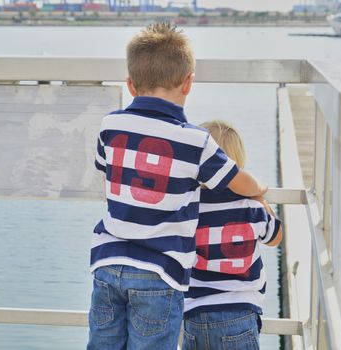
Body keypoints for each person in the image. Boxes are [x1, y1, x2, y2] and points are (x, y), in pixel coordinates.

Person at [88, 23, 267, 350]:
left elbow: (104, 167)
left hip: (107, 262)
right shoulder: (195, 141)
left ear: (130, 84)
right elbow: (237, 179)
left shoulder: (110, 125)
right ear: (188, 83)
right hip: (159, 270)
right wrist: (259, 191)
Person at [182, 120, 282, 350]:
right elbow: (275, 237)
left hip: (195, 314)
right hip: (240, 313)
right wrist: (259, 197)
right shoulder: (251, 207)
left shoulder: (189, 207)